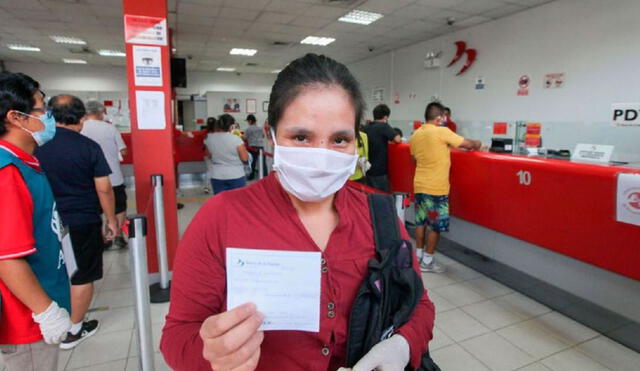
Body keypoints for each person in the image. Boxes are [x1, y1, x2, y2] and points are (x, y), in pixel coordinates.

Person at [160, 53, 434, 370]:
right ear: (271, 135)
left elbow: (419, 305)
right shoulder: (221, 218)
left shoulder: (379, 215)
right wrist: (211, 355)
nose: (321, 155)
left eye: (339, 139)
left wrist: (403, 344)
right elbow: (178, 335)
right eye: (301, 137)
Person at [0, 72, 72, 371]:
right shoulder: (7, 174)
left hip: (41, 299)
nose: (49, 116)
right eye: (42, 108)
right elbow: (6, 257)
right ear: (16, 117)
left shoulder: (25, 163)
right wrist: (45, 311)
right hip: (25, 321)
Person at [35, 95, 117, 349]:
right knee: (82, 276)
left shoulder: (34, 145)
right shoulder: (87, 146)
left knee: (51, 271)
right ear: (81, 119)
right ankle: (73, 330)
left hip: (43, 222)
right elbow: (104, 188)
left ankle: (49, 320)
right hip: (82, 220)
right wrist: (112, 220)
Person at [409, 102, 481, 273]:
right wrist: (478, 143)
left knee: (420, 222)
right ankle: (427, 261)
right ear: (440, 117)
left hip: (419, 185)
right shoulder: (442, 131)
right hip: (436, 188)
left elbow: (414, 158)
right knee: (436, 226)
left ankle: (418, 256)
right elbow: (468, 145)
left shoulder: (416, 134)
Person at [81, 100, 128, 249]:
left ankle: (103, 238)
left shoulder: (79, 128)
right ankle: (118, 234)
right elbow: (123, 151)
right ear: (101, 112)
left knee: (96, 209)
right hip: (113, 176)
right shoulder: (110, 128)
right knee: (119, 207)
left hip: (88, 179)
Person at [203, 114, 249, 194]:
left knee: (221, 202)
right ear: (231, 126)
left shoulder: (209, 138)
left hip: (217, 175)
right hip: (236, 174)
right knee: (237, 202)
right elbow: (245, 158)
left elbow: (208, 155)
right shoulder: (236, 139)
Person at [361, 104, 401, 192]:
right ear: (386, 117)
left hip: (366, 170)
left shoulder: (366, 127)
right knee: (381, 196)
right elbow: (397, 139)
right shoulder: (384, 126)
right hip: (379, 171)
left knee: (369, 195)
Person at [244, 114, 266, 180]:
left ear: (250, 121)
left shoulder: (248, 129)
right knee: (263, 163)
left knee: (252, 163)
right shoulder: (260, 127)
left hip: (252, 148)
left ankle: (251, 176)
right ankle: (265, 175)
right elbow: (263, 136)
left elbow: (244, 138)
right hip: (261, 147)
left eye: (248, 121)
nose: (247, 122)